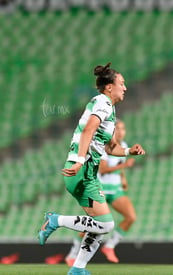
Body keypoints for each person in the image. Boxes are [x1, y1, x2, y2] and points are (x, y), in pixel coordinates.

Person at [38, 63, 145, 275]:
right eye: (121, 84)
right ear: (109, 87)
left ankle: (78, 268)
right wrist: (79, 160)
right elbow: (88, 130)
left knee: (99, 226)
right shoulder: (102, 103)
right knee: (106, 225)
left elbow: (111, 147)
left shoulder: (109, 110)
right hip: (82, 170)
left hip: (85, 171)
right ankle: (55, 220)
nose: (125, 88)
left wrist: (128, 151)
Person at [65, 120, 137, 266]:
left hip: (115, 189)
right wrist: (125, 165)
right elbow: (103, 170)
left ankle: (110, 246)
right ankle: (72, 254)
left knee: (131, 217)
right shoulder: (104, 145)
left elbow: (117, 165)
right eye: (117, 128)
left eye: (123, 128)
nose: (121, 131)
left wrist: (123, 178)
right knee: (93, 224)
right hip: (101, 188)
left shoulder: (123, 146)